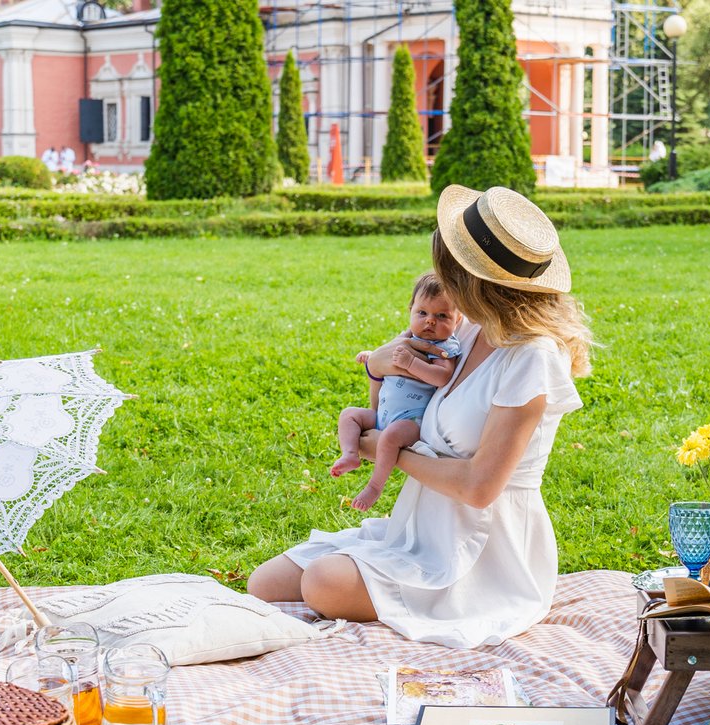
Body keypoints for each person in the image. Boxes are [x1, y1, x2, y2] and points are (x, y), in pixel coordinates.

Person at [248, 185, 593, 648]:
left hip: (483, 551)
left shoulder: (531, 358)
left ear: (472, 280)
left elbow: (478, 488)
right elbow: (392, 376)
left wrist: (384, 452)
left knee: (322, 583)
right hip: (419, 524)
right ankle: (383, 565)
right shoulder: (471, 332)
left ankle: (423, 588)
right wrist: (377, 366)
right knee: (265, 584)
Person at [332, 273, 462, 512]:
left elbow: (442, 376)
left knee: (390, 437)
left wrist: (411, 364)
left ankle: (374, 486)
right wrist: (373, 357)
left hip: (411, 419)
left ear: (458, 319)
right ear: (411, 310)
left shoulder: (444, 347)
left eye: (441, 316)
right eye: (422, 313)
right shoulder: (407, 337)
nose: (430, 321)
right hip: (382, 413)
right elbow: (388, 360)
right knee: (349, 415)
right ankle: (350, 453)